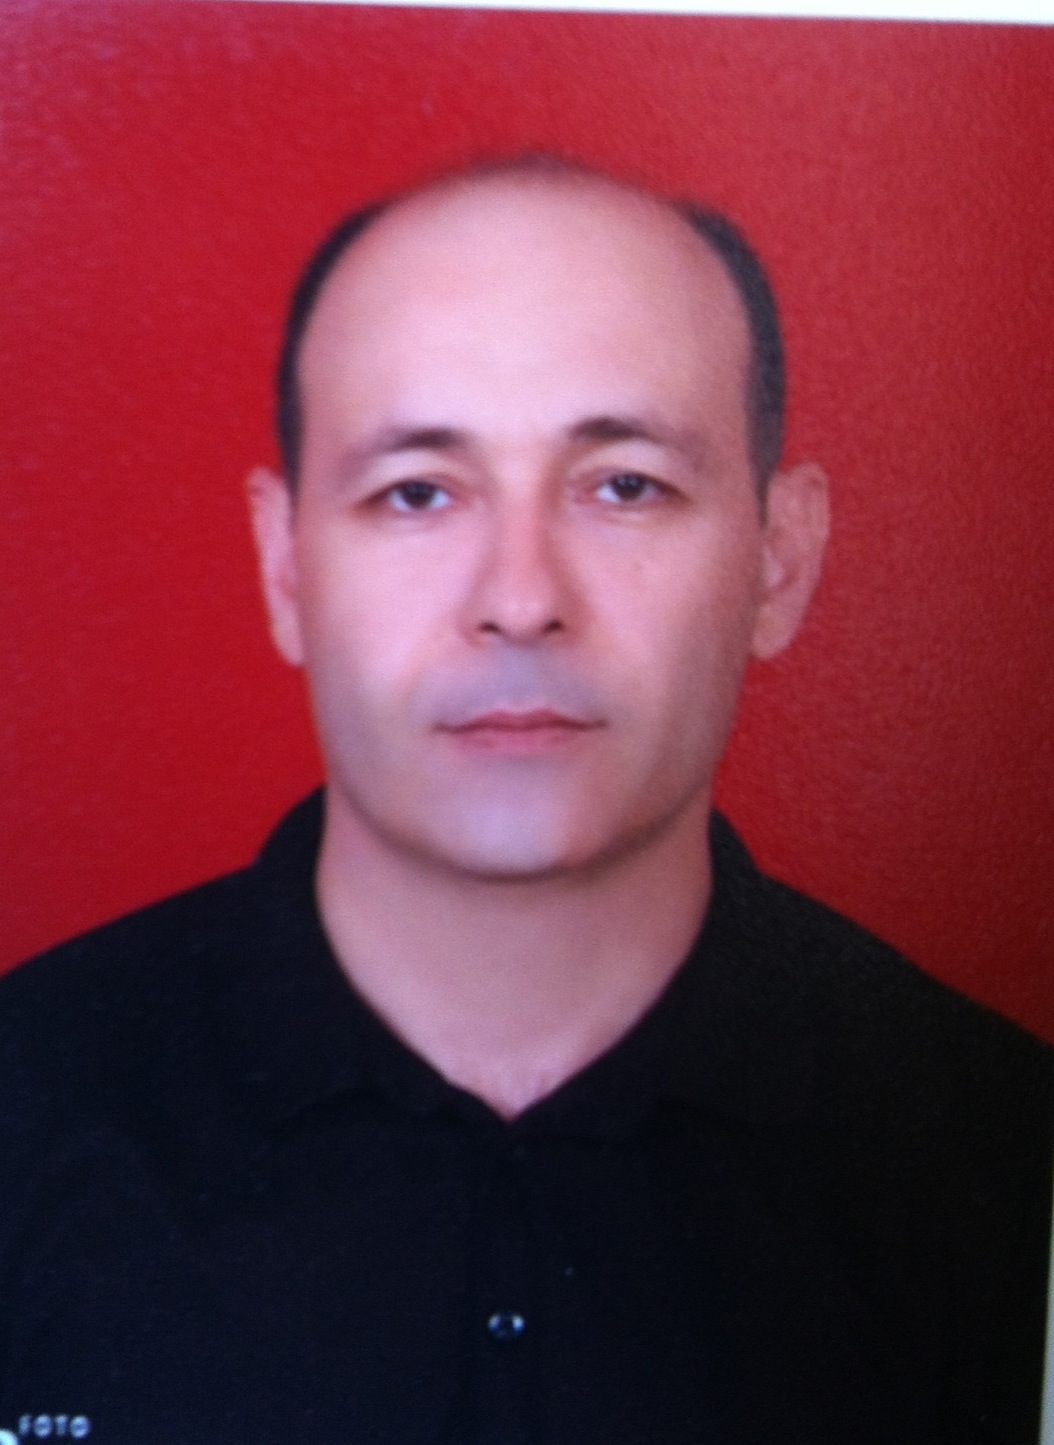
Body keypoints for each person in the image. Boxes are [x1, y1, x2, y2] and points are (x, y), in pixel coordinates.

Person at [0, 157, 1049, 1445]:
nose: (519, 598)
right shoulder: (23, 1102)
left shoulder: (1007, 1159)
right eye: (418, 492)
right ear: (284, 568)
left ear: (781, 558)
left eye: (625, 485)